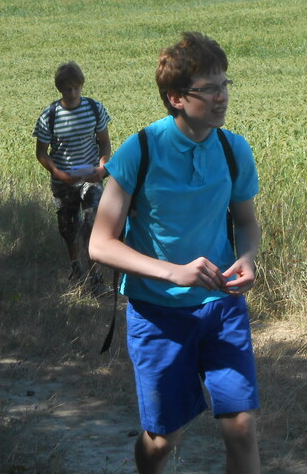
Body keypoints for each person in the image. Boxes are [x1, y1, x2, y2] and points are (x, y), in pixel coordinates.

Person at [90, 32, 262, 474]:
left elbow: (246, 222)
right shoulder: (141, 150)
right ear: (176, 98)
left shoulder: (234, 149)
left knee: (241, 427)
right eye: (208, 89)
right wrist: (173, 272)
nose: (222, 97)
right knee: (164, 438)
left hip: (222, 306)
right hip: (158, 314)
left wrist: (247, 257)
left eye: (224, 85)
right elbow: (100, 243)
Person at [33, 61, 112, 291]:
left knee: (93, 222)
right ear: (60, 89)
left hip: (91, 177)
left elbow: (104, 142)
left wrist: (102, 167)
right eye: (68, 89)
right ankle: (77, 271)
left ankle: (95, 277)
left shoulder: (95, 108)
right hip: (63, 180)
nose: (73, 93)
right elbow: (41, 153)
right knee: (68, 227)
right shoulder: (49, 115)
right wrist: (58, 173)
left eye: (77, 88)